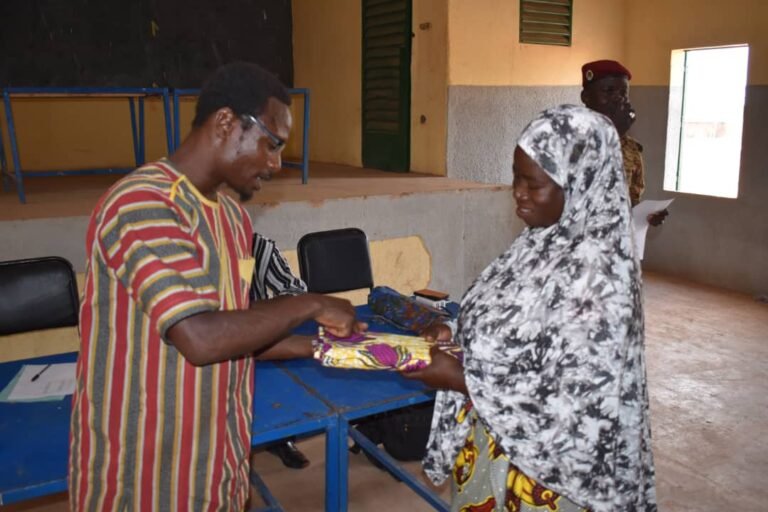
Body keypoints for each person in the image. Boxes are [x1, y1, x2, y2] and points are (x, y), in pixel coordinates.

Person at [69, 62, 364, 511]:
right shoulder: (143, 203)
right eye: (272, 143)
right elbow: (202, 338)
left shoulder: (231, 218)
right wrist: (309, 304)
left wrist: (318, 348)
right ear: (226, 122)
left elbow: (236, 329)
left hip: (215, 471)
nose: (276, 163)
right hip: (142, 481)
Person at [407, 105, 657, 511]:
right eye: (515, 176)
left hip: (551, 478)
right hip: (501, 442)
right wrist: (454, 331)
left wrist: (461, 378)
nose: (518, 192)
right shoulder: (542, 241)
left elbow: (576, 402)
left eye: (534, 183)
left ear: (579, 184)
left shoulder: (599, 276)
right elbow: (511, 318)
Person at [249, 232, 312, 469]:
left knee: (286, 378)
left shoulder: (259, 246)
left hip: (258, 341)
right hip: (210, 349)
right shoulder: (195, 248)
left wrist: (256, 313)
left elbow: (294, 290)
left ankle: (281, 438)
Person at [581, 59, 668, 226]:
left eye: (623, 93)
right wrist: (615, 133)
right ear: (586, 97)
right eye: (608, 91)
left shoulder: (631, 148)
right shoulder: (566, 140)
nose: (617, 99)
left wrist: (645, 215)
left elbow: (630, 201)